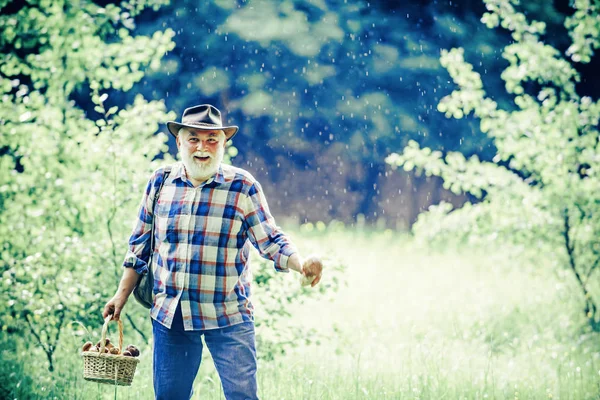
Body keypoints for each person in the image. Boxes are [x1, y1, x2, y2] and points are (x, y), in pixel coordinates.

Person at [102, 104, 323, 400]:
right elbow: (139, 245)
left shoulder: (242, 186)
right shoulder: (161, 182)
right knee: (169, 397)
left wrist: (301, 264)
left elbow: (270, 239)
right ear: (179, 142)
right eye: (193, 138)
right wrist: (121, 295)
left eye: (211, 140)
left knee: (242, 397)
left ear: (223, 144)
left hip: (228, 313)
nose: (202, 148)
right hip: (172, 314)